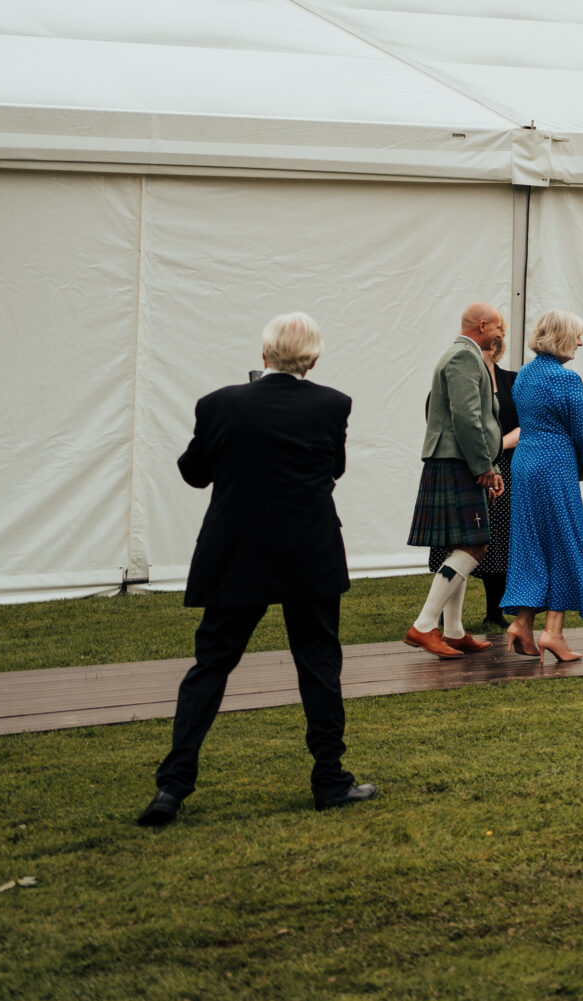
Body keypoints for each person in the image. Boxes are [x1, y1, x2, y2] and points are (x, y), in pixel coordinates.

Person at [138, 313, 376, 827]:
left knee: (210, 666)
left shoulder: (219, 404)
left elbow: (193, 473)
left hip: (236, 552)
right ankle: (329, 780)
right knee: (318, 665)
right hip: (308, 551)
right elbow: (332, 467)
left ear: (263, 355)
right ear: (312, 361)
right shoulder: (332, 405)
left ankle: (172, 788)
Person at [404, 302, 508, 659]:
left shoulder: (461, 355)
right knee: (474, 545)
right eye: (497, 328)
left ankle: (453, 630)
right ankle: (423, 626)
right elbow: (467, 418)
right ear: (482, 325)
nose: (499, 334)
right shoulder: (465, 357)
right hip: (459, 462)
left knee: (459, 544)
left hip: (454, 461)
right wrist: (485, 467)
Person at [501, 311, 583, 660]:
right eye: (577, 335)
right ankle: (553, 632)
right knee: (566, 540)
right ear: (562, 337)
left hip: (525, 464)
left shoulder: (524, 376)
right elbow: (582, 430)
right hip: (554, 464)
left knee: (533, 544)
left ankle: (523, 623)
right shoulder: (565, 380)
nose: (581, 342)